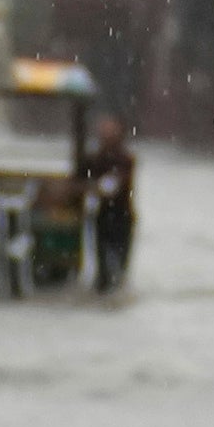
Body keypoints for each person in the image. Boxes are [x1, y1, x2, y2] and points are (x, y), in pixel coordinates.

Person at [80, 104, 140, 293]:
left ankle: (114, 292)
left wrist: (97, 187)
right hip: (103, 216)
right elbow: (84, 179)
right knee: (103, 270)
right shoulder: (96, 157)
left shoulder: (125, 159)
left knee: (119, 268)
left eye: (109, 128)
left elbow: (114, 185)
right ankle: (105, 290)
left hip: (122, 217)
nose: (104, 132)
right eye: (103, 128)